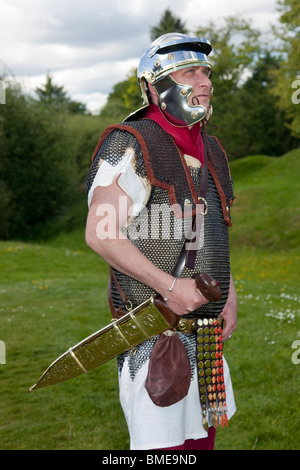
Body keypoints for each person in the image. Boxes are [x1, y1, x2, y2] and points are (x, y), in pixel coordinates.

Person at [85, 33, 237, 450]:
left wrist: (229, 294)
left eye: (206, 71)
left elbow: (210, 233)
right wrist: (170, 287)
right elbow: (100, 233)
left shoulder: (212, 149)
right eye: (190, 71)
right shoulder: (130, 142)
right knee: (163, 449)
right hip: (155, 335)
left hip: (204, 332)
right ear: (154, 86)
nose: (204, 81)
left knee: (201, 443)